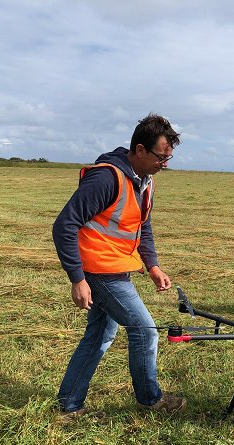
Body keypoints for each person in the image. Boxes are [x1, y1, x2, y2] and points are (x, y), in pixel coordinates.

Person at [52, 113, 186, 418]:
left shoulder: (145, 181)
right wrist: (77, 279)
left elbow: (143, 226)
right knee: (145, 330)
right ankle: (150, 399)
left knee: (100, 336)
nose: (164, 163)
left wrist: (152, 266)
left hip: (116, 268)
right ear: (140, 150)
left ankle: (69, 406)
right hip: (99, 271)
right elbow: (64, 225)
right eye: (161, 156)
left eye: (169, 157)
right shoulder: (106, 178)